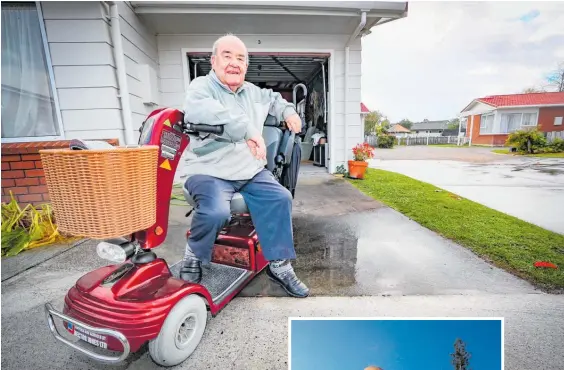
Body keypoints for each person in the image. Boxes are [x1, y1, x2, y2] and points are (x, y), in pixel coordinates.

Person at [179, 33, 309, 298]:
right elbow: (202, 112)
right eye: (227, 56)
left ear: (246, 66)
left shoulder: (253, 92)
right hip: (209, 170)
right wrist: (249, 130)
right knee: (216, 212)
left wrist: (289, 112)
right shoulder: (201, 88)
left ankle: (280, 266)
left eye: (241, 58)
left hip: (248, 171)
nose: (234, 63)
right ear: (214, 61)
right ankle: (194, 254)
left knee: (281, 197)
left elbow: (274, 99)